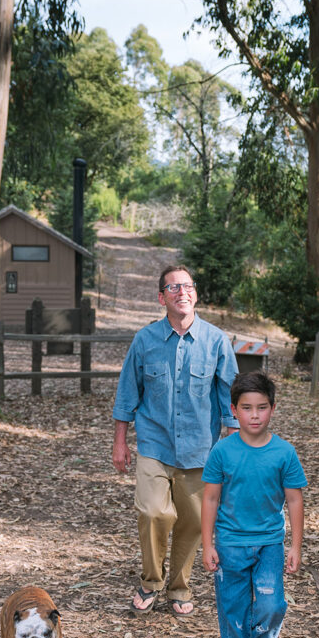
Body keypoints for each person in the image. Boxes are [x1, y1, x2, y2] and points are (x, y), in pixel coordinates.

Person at [112, 264, 238, 617]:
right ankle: (151, 581)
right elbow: (127, 394)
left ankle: (179, 587)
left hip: (202, 451)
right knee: (154, 512)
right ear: (161, 298)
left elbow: (230, 398)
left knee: (194, 522)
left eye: (188, 286)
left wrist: (234, 449)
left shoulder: (216, 341)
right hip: (155, 445)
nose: (182, 292)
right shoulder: (145, 341)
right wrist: (120, 441)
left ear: (195, 294)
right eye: (173, 288)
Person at [201, 370, 307, 638]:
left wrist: (296, 546)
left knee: (271, 604)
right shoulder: (222, 451)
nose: (255, 415)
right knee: (233, 607)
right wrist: (207, 545)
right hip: (231, 542)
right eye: (246, 408)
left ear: (272, 408)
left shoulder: (284, 453)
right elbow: (210, 498)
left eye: (261, 407)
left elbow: (294, 499)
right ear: (233, 410)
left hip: (269, 543)